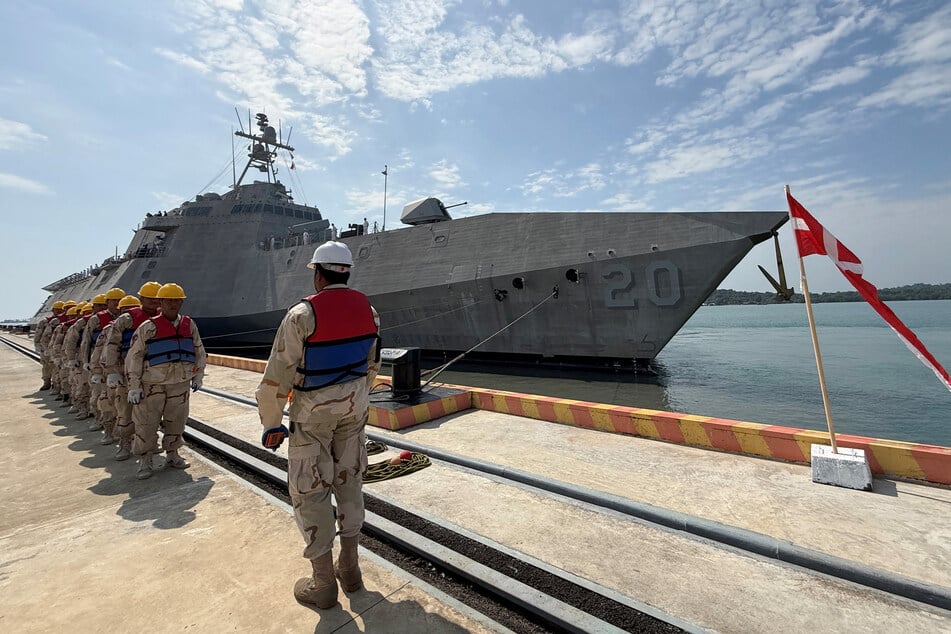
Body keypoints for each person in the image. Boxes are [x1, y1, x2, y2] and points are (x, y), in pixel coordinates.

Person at [255, 240, 380, 608]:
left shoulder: (301, 315)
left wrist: (271, 423)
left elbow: (276, 377)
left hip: (312, 416)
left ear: (318, 274)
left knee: (310, 491)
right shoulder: (369, 311)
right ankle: (351, 568)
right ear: (347, 271)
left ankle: (323, 584)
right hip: (354, 411)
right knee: (350, 480)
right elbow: (372, 365)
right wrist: (355, 399)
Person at [124, 283, 206, 479]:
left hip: (180, 383)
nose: (173, 304)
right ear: (161, 302)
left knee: (177, 421)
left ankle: (173, 453)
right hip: (152, 384)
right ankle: (145, 459)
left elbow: (198, 349)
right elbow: (133, 357)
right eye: (169, 301)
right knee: (146, 423)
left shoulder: (189, 324)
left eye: (177, 301)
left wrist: (199, 375)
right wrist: (133, 386)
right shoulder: (148, 327)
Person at [102, 282, 162, 461]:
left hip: (153, 372)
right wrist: (112, 371)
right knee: (125, 409)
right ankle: (124, 443)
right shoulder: (127, 319)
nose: (153, 302)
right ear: (141, 299)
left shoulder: (164, 318)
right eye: (149, 298)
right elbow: (111, 344)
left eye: (156, 299)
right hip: (126, 371)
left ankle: (149, 443)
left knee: (152, 412)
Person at [34, 301, 66, 390]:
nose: (59, 312)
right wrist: (38, 345)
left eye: (61, 310)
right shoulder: (45, 322)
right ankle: (46, 382)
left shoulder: (64, 320)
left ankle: (56, 383)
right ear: (53, 310)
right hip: (46, 347)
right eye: (57, 310)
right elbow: (38, 334)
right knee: (46, 365)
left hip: (57, 347)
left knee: (56, 366)